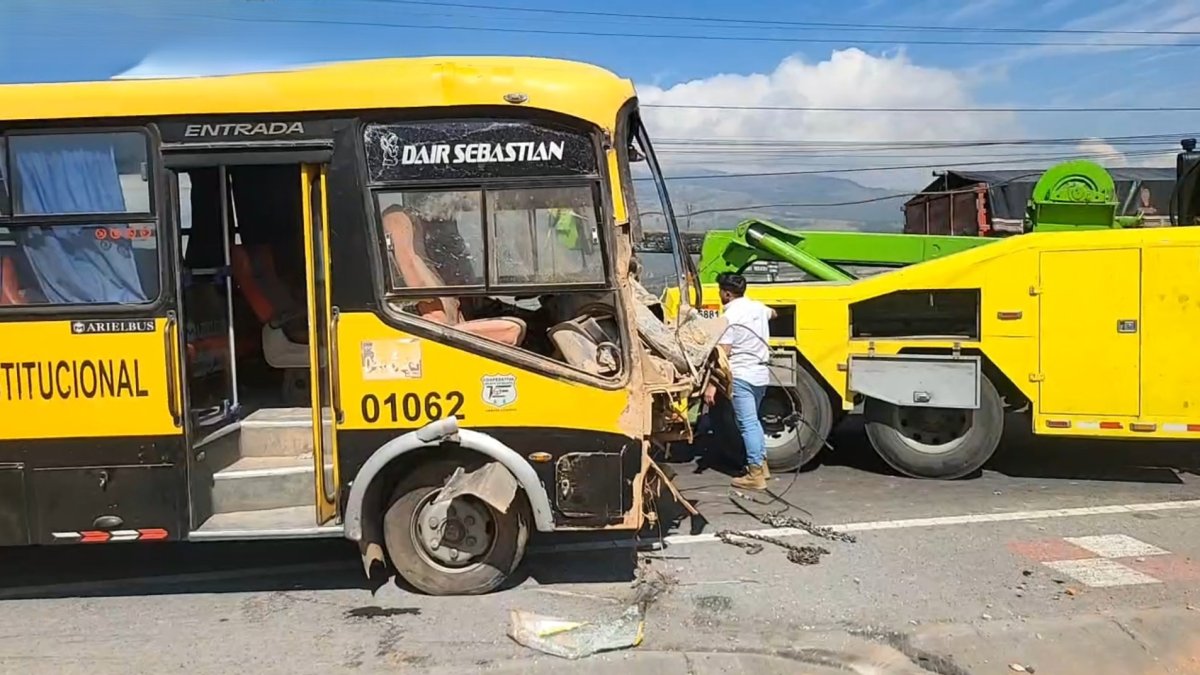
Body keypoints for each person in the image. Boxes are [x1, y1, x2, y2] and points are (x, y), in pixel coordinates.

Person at [704, 272, 775, 491]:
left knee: (746, 424)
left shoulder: (730, 316)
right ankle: (762, 467)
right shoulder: (758, 308)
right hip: (761, 375)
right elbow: (773, 313)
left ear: (726, 293)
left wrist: (712, 386)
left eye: (720, 291)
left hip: (742, 375)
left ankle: (755, 474)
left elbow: (724, 354)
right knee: (754, 421)